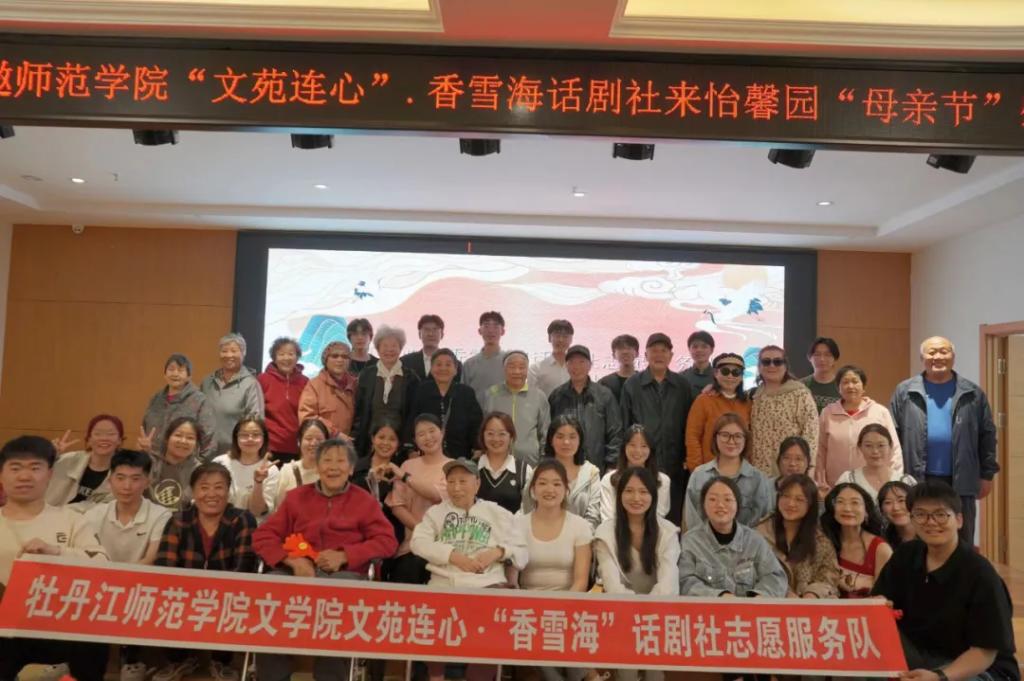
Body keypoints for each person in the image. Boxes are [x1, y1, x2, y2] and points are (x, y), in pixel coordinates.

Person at [254, 437, 398, 681]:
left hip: (344, 575)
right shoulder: (296, 498)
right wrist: (291, 561)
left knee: (339, 603)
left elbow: (387, 541)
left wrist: (345, 555)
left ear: (351, 469)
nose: (333, 467)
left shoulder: (364, 501)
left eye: (340, 461)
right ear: (317, 466)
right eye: (327, 460)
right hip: (294, 572)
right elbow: (263, 536)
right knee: (269, 597)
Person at [872, 480, 1019, 681]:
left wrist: (940, 677)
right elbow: (880, 599)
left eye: (940, 514)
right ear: (912, 520)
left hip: (976, 667)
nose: (931, 522)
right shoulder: (905, 556)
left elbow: (985, 652)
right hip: (920, 655)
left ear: (959, 520)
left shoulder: (981, 574)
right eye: (921, 514)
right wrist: (879, 606)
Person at [0, 436, 109, 681]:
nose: (25, 476)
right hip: (4, 629)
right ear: (1, 475)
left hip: (60, 624)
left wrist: (56, 552)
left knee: (94, 634)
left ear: (49, 474)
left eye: (35, 468)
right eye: (15, 468)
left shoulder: (72, 519)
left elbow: (101, 564)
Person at [411, 458, 527, 681]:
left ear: (477, 484)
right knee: (428, 615)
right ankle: (436, 676)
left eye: (463, 481)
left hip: (487, 585)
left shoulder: (497, 513)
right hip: (444, 584)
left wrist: (498, 552)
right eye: (451, 482)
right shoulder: (436, 513)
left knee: (495, 623)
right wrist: (452, 556)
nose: (456, 488)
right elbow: (418, 543)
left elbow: (522, 552)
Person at [152, 462, 258, 681]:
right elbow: (165, 565)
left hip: (228, 592)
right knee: (164, 596)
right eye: (204, 487)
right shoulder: (178, 520)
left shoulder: (242, 519)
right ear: (193, 491)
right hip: (183, 592)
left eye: (219, 487)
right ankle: (179, 660)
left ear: (228, 491)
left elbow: (244, 566)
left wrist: (217, 592)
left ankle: (222, 661)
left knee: (238, 599)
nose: (211, 494)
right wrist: (186, 592)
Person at [890, 336, 998, 546]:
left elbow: (987, 436)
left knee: (962, 538)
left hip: (962, 479)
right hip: (917, 477)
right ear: (922, 358)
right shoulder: (905, 391)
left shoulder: (973, 393)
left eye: (943, 351)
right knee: (918, 537)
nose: (938, 357)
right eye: (931, 352)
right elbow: (893, 434)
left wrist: (987, 475)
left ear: (953, 357)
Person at [83, 449, 172, 681]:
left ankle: (133, 659)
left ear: (147, 481)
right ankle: (82, 660)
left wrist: (120, 581)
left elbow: (151, 559)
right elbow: (86, 554)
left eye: (135, 479)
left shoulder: (160, 514)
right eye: (120, 478)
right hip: (102, 584)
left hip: (140, 585)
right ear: (110, 479)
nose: (127, 486)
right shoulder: (94, 514)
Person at [593, 467, 680, 681]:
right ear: (619, 495)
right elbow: (612, 586)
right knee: (627, 668)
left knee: (654, 670)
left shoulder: (668, 532)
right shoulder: (605, 533)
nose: (636, 498)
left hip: (658, 614)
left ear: (653, 496)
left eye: (643, 492)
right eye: (629, 491)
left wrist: (647, 614)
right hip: (621, 613)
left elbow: (668, 583)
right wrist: (634, 615)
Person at [514, 459, 593, 681]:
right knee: (540, 637)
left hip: (569, 604)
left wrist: (560, 608)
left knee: (562, 634)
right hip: (529, 608)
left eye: (557, 484)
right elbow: (513, 578)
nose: (550, 489)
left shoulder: (580, 526)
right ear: (532, 489)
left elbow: (581, 581)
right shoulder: (517, 524)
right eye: (543, 483)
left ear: (566, 490)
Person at [620, 332, 693, 524]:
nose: (659, 355)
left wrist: (686, 456)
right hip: (641, 464)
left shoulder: (682, 385)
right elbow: (625, 426)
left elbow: (689, 425)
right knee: (639, 515)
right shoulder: (632, 385)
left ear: (671, 355)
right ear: (645, 355)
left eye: (664, 350)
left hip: (675, 466)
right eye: (654, 351)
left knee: (671, 520)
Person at [678, 477, 788, 598]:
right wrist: (719, 596)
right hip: (708, 609)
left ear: (737, 504)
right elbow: (685, 582)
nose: (720, 505)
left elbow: (775, 577)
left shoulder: (754, 540)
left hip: (749, 608)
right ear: (703, 504)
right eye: (713, 499)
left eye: (727, 499)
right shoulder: (690, 542)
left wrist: (760, 595)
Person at [384, 414, 451, 584]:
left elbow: (436, 494)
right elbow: (397, 506)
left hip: (444, 547)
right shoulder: (408, 465)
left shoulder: (453, 467)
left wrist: (405, 477)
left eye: (432, 431)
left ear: (442, 432)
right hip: (411, 547)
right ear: (415, 440)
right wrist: (422, 532)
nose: (428, 437)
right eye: (421, 434)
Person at [816, 364, 904, 492]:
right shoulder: (827, 413)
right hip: (835, 484)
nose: (850, 386)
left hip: (874, 484)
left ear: (863, 386)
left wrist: (894, 480)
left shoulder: (880, 412)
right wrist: (820, 480)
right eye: (845, 382)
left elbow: (894, 448)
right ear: (838, 388)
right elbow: (820, 449)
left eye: (855, 381)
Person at [684, 413, 774, 531]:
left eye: (738, 436)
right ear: (715, 437)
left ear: (746, 440)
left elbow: (764, 522)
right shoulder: (699, 475)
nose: (731, 441)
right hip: (703, 541)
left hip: (748, 541)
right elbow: (692, 520)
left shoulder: (758, 478)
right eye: (725, 435)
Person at [755, 474, 840, 598]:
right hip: (770, 602)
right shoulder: (759, 534)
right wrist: (784, 592)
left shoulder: (820, 541)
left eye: (799, 499)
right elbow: (753, 573)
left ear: (810, 504)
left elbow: (829, 577)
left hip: (807, 606)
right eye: (786, 496)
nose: (791, 503)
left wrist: (812, 594)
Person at [547, 344, 622, 472]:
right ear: (566, 366)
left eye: (581, 362)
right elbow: (550, 433)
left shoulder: (604, 395)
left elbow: (615, 431)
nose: (576, 367)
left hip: (598, 466)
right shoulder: (557, 396)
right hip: (564, 466)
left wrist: (612, 464)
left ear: (590, 365)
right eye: (572, 362)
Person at [748, 345, 818, 476]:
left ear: (785, 366)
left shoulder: (800, 394)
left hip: (791, 472)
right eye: (766, 362)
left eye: (777, 361)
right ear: (759, 367)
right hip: (759, 473)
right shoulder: (753, 396)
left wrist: (808, 472)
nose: (772, 365)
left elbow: (811, 436)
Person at [522, 416, 601, 529]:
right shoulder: (539, 472)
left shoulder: (591, 473)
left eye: (572, 437)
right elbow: (528, 509)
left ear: (580, 440)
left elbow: (594, 517)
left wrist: (576, 536)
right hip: (543, 535)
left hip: (582, 536)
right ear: (551, 440)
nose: (566, 442)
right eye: (560, 437)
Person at [353, 325, 420, 456]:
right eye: (385, 346)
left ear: (400, 348)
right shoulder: (367, 375)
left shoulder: (411, 378)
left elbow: (413, 415)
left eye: (394, 345)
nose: (389, 350)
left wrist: (409, 446)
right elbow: (359, 411)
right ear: (378, 348)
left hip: (400, 446)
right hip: (369, 444)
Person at [405, 348, 482, 459]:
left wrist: (477, 447)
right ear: (431, 369)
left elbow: (476, 424)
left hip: (459, 454)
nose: (443, 368)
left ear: (456, 369)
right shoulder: (421, 390)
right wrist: (410, 449)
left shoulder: (466, 392)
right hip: (427, 453)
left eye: (448, 365)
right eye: (438, 364)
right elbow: (411, 420)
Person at [821, 482, 892, 598]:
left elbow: (884, 596)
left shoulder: (880, 549)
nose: (847, 508)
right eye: (840, 502)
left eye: (855, 502)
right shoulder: (823, 542)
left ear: (866, 511)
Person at [200, 332, 265, 457]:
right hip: (206, 453)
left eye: (234, 351)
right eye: (224, 351)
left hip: (235, 454)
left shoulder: (251, 384)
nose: (229, 355)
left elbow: (256, 421)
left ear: (243, 353)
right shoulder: (207, 382)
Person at [141, 353, 217, 460]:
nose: (175, 374)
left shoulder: (200, 401)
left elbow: (209, 438)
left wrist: (199, 464)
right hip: (154, 461)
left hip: (186, 464)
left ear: (189, 376)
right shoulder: (156, 398)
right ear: (165, 374)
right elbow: (145, 428)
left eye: (180, 370)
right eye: (171, 369)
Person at [352, 417, 406, 566]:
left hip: (390, 536)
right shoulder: (356, 467)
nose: (386, 443)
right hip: (357, 533)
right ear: (372, 439)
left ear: (398, 443)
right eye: (381, 437)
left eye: (392, 439)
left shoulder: (401, 471)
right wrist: (371, 479)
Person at [685, 352, 751, 472]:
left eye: (736, 372)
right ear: (716, 373)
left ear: (741, 377)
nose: (730, 376)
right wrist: (696, 468)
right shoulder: (703, 400)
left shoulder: (747, 403)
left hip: (740, 470)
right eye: (725, 371)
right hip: (709, 469)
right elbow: (692, 436)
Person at [484, 350, 550, 466]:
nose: (517, 371)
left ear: (527, 370)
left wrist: (543, 460)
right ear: (504, 369)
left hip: (531, 462)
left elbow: (545, 431)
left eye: (522, 367)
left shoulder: (538, 396)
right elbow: (485, 427)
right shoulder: (492, 394)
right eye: (512, 367)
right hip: (498, 461)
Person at [46, 414, 125, 510]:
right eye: (97, 434)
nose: (104, 438)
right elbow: (39, 473)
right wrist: (49, 456)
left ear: (119, 440)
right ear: (89, 439)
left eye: (111, 434)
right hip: (54, 515)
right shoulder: (68, 460)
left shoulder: (124, 472)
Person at [212, 417, 280, 520]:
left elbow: (257, 512)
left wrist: (258, 482)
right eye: (244, 435)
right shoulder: (220, 462)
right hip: (220, 522)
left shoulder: (271, 469)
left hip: (253, 525)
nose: (250, 439)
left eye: (256, 435)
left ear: (264, 438)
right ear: (236, 438)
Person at [599, 425, 671, 522]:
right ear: (624, 448)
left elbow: (659, 515)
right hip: (615, 529)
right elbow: (608, 517)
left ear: (651, 449)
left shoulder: (663, 480)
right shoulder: (608, 479)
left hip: (651, 529)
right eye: (632, 445)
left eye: (643, 446)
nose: (638, 451)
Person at [257, 336, 309, 463]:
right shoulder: (263, 379)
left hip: (296, 447)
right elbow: (257, 413)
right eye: (281, 354)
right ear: (274, 358)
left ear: (297, 357)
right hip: (269, 447)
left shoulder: (305, 382)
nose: (286, 358)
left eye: (291, 354)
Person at [835, 424, 916, 499]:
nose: (875, 451)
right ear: (860, 447)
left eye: (881, 445)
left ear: (890, 446)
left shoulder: (906, 481)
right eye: (868, 446)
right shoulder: (848, 480)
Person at [298, 341, 357, 439]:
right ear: (325, 360)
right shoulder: (314, 385)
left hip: (352, 444)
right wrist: (335, 434)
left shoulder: (357, 384)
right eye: (335, 356)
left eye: (345, 357)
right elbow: (307, 417)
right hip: (323, 443)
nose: (340, 360)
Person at [475, 411, 532, 514]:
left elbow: (529, 508)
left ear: (511, 437)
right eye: (490, 433)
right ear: (483, 436)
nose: (496, 439)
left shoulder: (524, 470)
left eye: (502, 434)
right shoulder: (471, 467)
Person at [147, 416, 203, 512]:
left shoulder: (200, 471)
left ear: (196, 444)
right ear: (167, 438)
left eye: (190, 438)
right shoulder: (150, 461)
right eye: (178, 435)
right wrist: (142, 454)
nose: (183, 441)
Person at [274, 418, 329, 507]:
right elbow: (279, 507)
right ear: (299, 441)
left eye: (319, 439)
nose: (314, 443)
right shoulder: (287, 471)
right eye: (309, 438)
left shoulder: (332, 471)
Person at [463, 311, 507, 406]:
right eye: (486, 326)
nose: (491, 331)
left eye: (495, 326)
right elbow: (463, 395)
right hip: (475, 413)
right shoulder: (469, 364)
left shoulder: (509, 362)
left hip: (503, 413)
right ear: (479, 331)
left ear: (503, 331)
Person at [400, 314, 462, 381]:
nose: (430, 334)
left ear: (442, 334)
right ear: (419, 334)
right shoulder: (405, 362)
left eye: (435, 329)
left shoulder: (454, 364)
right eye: (426, 329)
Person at [529, 319, 574, 396]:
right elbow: (531, 397)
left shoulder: (577, 368)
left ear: (571, 339)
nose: (561, 340)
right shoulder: (536, 369)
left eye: (565, 336)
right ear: (549, 338)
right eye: (557, 336)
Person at [800, 336, 842, 413]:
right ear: (809, 358)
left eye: (827, 355)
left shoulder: (842, 386)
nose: (822, 359)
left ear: (835, 359)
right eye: (817, 354)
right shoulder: (800, 386)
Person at [598, 333, 639, 402]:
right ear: (613, 355)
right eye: (620, 349)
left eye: (629, 348)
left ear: (637, 353)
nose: (625, 352)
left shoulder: (645, 381)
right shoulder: (604, 383)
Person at [878, 480, 917, 548]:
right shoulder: (881, 544)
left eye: (901, 500)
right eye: (888, 502)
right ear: (881, 510)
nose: (896, 508)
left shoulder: (931, 533)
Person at [681, 330, 716, 398]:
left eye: (704, 346)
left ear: (712, 350)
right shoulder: (681, 377)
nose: (699, 350)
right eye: (695, 347)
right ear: (689, 349)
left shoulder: (720, 377)